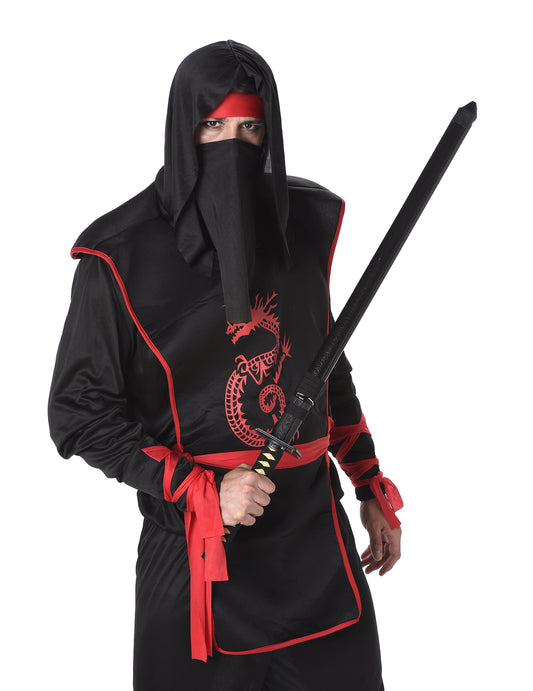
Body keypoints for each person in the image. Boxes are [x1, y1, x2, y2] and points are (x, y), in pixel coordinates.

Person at [48, 40, 403, 691]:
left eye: (250, 129)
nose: (232, 145)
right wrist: (202, 489)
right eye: (213, 126)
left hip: (316, 547)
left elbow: (325, 366)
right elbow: (79, 412)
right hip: (196, 554)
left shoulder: (298, 228)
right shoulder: (119, 256)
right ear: (184, 131)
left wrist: (368, 481)